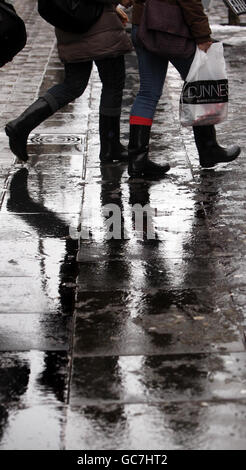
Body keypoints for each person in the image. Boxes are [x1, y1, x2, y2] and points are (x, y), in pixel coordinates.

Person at [124, 0, 241, 178]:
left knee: (147, 93)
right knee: (200, 80)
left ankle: (137, 160)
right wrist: (202, 35)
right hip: (169, 29)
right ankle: (208, 149)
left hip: (142, 25)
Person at [5, 1, 132, 164]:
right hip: (100, 25)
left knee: (73, 84)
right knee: (113, 83)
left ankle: (21, 125)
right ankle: (110, 146)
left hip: (71, 24)